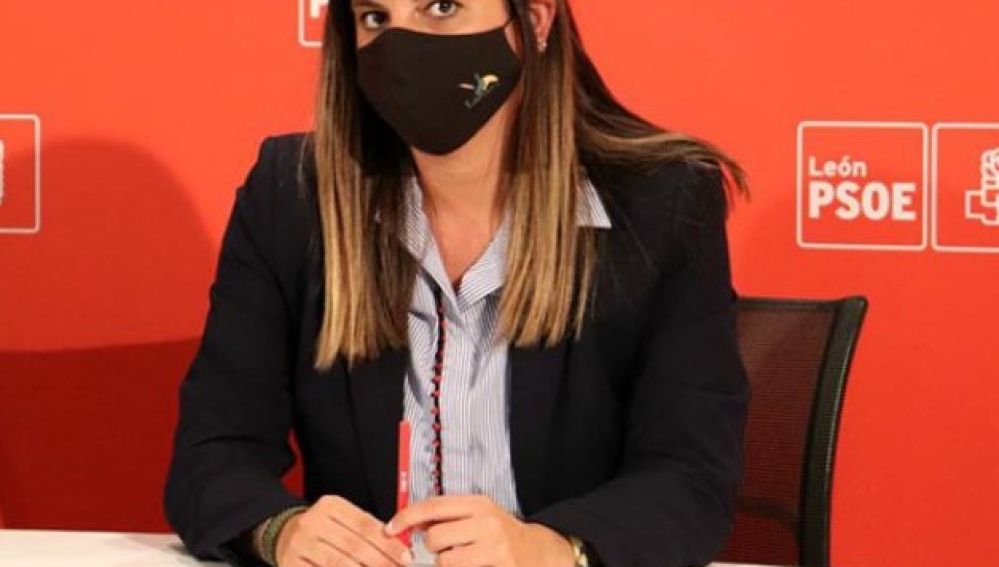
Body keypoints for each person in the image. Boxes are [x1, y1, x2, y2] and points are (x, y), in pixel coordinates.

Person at [163, 0, 750, 566]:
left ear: (534, 19)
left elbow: (688, 477)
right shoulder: (294, 199)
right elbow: (212, 457)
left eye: (441, 7)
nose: (401, 45)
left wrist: (552, 550)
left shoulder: (661, 206)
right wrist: (281, 531)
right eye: (375, 17)